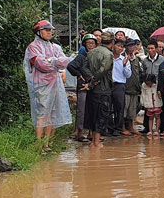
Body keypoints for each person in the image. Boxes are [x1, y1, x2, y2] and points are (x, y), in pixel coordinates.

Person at [23, 19, 72, 151]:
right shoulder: (33, 47)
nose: (49, 32)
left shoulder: (55, 47)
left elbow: (64, 62)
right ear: (39, 32)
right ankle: (39, 143)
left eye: (50, 30)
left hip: (55, 83)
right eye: (46, 30)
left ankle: (47, 143)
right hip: (41, 84)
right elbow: (41, 64)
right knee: (42, 112)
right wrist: (55, 63)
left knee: (52, 112)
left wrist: (53, 61)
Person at [84, 32, 114, 147]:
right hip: (103, 89)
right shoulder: (108, 54)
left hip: (92, 90)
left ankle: (93, 141)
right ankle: (96, 143)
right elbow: (103, 70)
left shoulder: (91, 52)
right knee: (101, 115)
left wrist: (90, 79)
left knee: (93, 114)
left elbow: (84, 67)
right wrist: (94, 80)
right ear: (112, 42)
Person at [74, 35, 98, 142]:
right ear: (85, 44)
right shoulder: (81, 57)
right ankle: (79, 134)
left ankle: (90, 133)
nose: (91, 45)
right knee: (81, 111)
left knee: (91, 111)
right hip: (83, 87)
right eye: (88, 43)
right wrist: (78, 74)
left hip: (93, 87)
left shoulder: (95, 56)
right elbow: (71, 66)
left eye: (92, 43)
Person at [109, 39, 131, 136]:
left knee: (119, 107)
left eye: (122, 47)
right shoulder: (108, 57)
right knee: (108, 107)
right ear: (113, 45)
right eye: (118, 46)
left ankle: (118, 128)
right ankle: (108, 128)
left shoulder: (124, 60)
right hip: (108, 84)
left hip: (119, 85)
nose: (120, 48)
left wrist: (125, 65)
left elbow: (128, 75)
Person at [122, 40, 143, 135]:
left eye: (133, 46)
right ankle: (122, 128)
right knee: (124, 109)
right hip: (125, 88)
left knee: (132, 110)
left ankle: (131, 128)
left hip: (135, 88)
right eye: (129, 46)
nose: (131, 48)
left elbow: (139, 72)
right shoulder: (122, 57)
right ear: (126, 47)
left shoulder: (136, 59)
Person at [141, 74, 162, 138]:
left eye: (149, 83)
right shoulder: (143, 86)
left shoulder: (157, 85)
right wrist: (143, 103)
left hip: (157, 103)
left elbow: (160, 94)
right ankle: (150, 130)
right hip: (148, 104)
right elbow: (142, 95)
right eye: (146, 83)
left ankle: (157, 130)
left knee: (157, 116)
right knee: (150, 117)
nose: (148, 84)